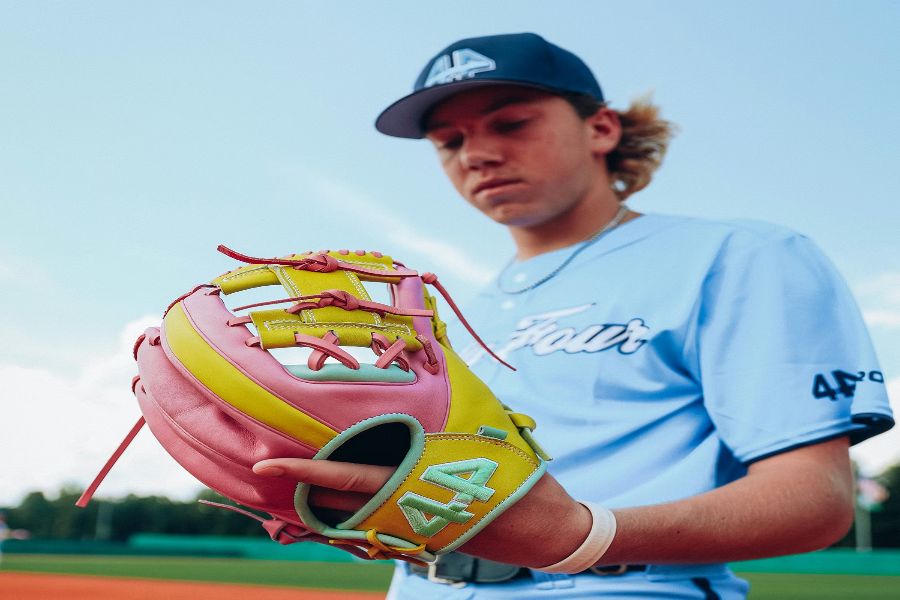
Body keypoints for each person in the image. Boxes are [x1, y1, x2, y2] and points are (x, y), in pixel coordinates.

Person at [253, 33, 894, 599]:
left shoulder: (739, 257)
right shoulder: (462, 311)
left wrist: (578, 534)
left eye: (510, 123)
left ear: (602, 129)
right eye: (449, 141)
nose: (475, 154)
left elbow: (817, 500)